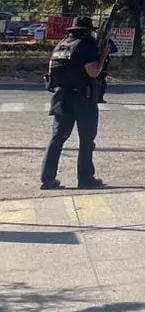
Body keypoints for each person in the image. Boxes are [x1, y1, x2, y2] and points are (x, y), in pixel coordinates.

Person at [40, 15, 105, 190]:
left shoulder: (61, 45)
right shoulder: (86, 46)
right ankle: (85, 179)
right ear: (87, 32)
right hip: (82, 98)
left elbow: (51, 69)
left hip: (61, 97)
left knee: (57, 138)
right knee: (86, 140)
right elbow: (93, 72)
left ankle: (47, 179)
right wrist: (102, 59)